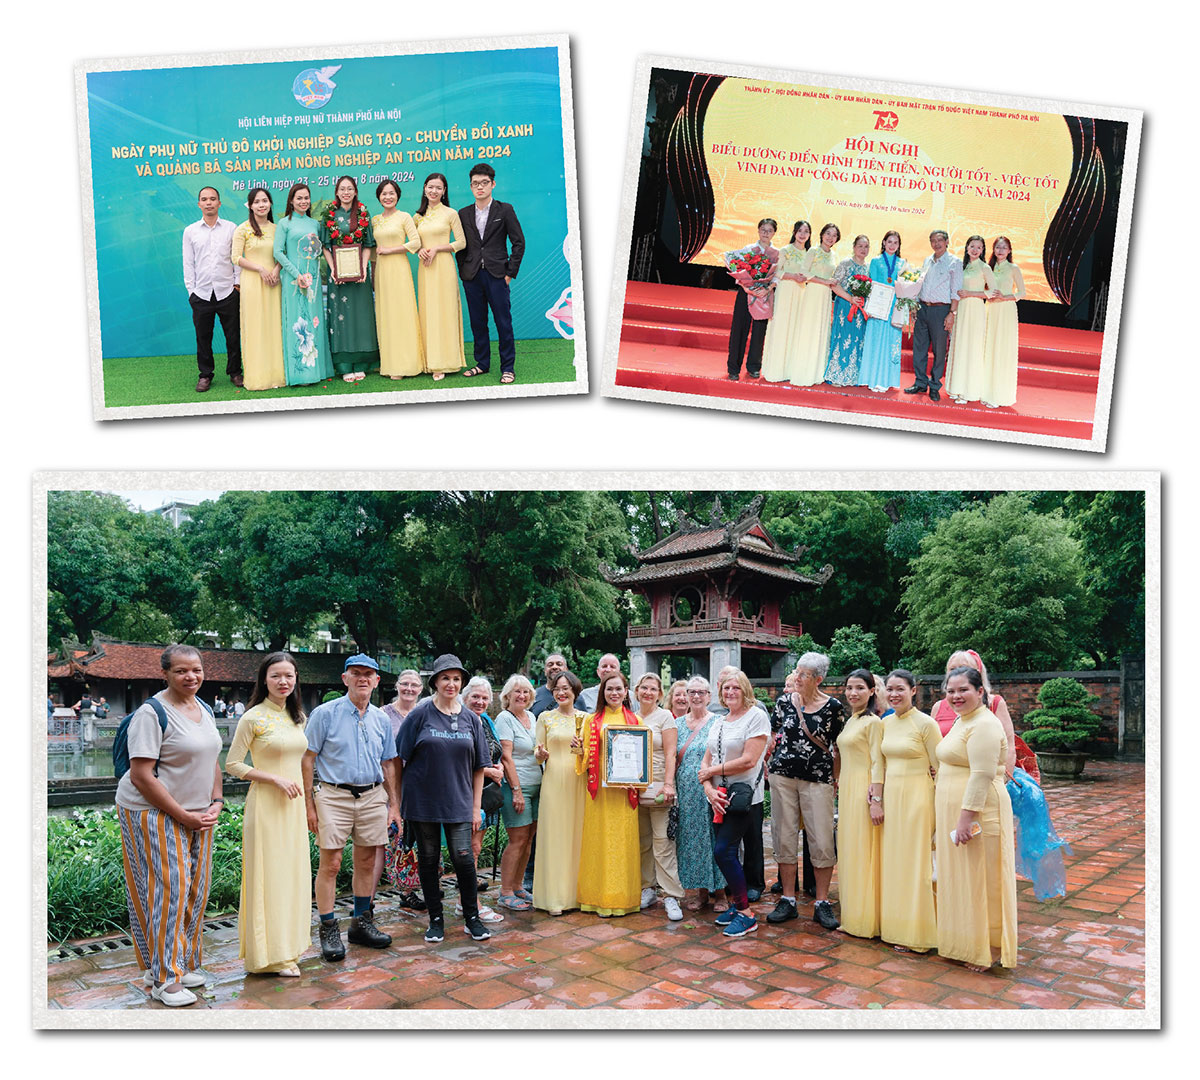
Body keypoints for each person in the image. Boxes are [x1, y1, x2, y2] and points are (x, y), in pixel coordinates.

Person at [115, 645, 223, 1006]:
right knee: (170, 890)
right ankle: (163, 978)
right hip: (153, 811)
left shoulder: (204, 708)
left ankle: (181, 963)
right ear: (165, 673)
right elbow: (142, 775)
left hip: (198, 811)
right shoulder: (152, 713)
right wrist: (182, 814)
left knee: (197, 889)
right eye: (181, 671)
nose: (190, 677)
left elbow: (213, 761)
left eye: (196, 670)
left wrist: (217, 801)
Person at [302, 654, 399, 962]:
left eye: (368, 674)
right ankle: (328, 927)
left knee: (367, 862)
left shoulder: (381, 718)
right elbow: (307, 759)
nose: (362, 679)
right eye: (356, 673)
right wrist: (309, 804)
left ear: (376, 680)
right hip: (334, 795)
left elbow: (388, 764)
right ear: (345, 678)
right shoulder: (325, 714)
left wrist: (393, 804)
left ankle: (361, 921)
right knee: (330, 864)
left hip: (372, 795)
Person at [395, 654, 492, 943]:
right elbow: (400, 759)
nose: (451, 683)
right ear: (435, 681)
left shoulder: (471, 719)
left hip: (459, 800)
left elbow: (479, 767)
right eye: (445, 678)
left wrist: (476, 808)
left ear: (461, 683)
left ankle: (471, 917)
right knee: (428, 858)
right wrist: (399, 804)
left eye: (456, 679)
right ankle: (435, 919)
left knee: (463, 858)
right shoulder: (420, 715)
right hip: (423, 801)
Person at [225, 651, 310, 976]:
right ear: (264, 679)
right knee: (269, 876)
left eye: (289, 675)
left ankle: (289, 949)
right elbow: (232, 764)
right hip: (266, 806)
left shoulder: (298, 716)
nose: (283, 681)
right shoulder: (253, 718)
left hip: (294, 807)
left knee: (292, 876)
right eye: (276, 675)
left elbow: (303, 761)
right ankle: (268, 956)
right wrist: (272, 778)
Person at [935, 666, 1018, 971]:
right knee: (963, 878)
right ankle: (965, 941)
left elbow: (981, 776)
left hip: (979, 810)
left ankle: (991, 948)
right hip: (956, 811)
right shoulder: (962, 720)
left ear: (980, 692)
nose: (955, 696)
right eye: (950, 691)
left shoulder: (984, 723)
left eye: (963, 690)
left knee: (986, 878)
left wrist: (965, 819)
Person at [764, 652, 844, 930]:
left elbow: (839, 747)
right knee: (784, 837)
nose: (796, 678)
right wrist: (766, 763)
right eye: (796, 672)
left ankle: (822, 902)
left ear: (818, 679)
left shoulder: (833, 707)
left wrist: (836, 779)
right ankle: (788, 899)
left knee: (821, 840)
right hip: (782, 778)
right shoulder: (784, 701)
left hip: (818, 780)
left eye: (803, 674)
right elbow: (772, 735)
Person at [698, 669, 770, 938]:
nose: (730, 692)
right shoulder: (720, 721)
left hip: (742, 797)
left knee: (723, 851)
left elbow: (750, 760)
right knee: (724, 853)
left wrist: (711, 773)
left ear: (745, 689)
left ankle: (746, 914)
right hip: (717, 796)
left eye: (736, 688)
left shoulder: (756, 717)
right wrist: (708, 788)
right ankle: (737, 904)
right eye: (726, 688)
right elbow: (706, 760)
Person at [879, 669, 942, 953]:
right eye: (890, 689)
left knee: (917, 863)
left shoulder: (926, 724)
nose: (894, 694)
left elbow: (940, 767)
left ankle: (919, 933)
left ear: (913, 691)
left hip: (918, 798)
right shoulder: (885, 723)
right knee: (896, 862)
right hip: (891, 798)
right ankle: (897, 925)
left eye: (900, 689)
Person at [575, 672, 643, 916]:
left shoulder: (635, 721)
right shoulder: (591, 720)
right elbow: (583, 759)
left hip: (624, 793)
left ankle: (623, 897)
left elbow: (640, 758)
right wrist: (578, 751)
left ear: (626, 692)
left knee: (622, 844)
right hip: (599, 792)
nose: (614, 693)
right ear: (602, 692)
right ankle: (595, 897)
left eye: (618, 689)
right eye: (609, 689)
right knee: (598, 842)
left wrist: (635, 780)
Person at [457, 162, 526, 384]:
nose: (480, 187)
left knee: (503, 322)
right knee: (478, 322)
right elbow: (461, 246)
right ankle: (482, 364)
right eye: (475, 183)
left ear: (493, 184)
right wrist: (464, 271)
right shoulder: (464, 213)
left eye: (484, 183)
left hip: (498, 276)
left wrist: (509, 274)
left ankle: (508, 367)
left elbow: (519, 243)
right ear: (470, 186)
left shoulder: (505, 210)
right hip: (473, 276)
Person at [532, 669, 588, 915]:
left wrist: (580, 750)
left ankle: (577, 895)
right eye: (557, 688)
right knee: (554, 836)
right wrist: (540, 755)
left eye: (566, 688)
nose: (561, 692)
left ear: (575, 690)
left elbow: (589, 756)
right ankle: (554, 898)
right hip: (553, 780)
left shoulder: (587, 719)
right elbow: (537, 752)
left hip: (579, 781)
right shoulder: (545, 717)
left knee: (578, 835)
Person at [834, 669, 884, 939]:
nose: (853, 693)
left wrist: (876, 799)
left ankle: (867, 920)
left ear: (872, 691)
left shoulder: (873, 723)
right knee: (850, 851)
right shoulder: (851, 720)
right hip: (848, 790)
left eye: (860, 688)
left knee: (865, 853)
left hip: (864, 790)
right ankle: (852, 917)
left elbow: (878, 761)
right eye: (850, 687)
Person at [632, 673, 684, 921]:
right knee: (642, 842)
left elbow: (671, 753)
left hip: (660, 786)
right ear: (636, 690)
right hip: (633, 787)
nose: (648, 692)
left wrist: (668, 784)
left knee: (663, 842)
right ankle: (647, 888)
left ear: (660, 694)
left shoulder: (666, 717)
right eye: (644, 688)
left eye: (653, 689)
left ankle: (671, 895)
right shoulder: (629, 717)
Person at [673, 676, 726, 911]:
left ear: (709, 696)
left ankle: (722, 894)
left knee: (716, 838)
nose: (695, 696)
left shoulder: (718, 722)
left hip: (712, 789)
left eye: (701, 692)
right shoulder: (677, 724)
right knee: (692, 841)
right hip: (685, 791)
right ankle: (702, 892)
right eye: (691, 692)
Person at [182, 186, 243, 392]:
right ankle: (205, 374)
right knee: (203, 337)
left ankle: (235, 372)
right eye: (204, 199)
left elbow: (236, 259)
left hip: (227, 291)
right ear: (199, 204)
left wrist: (237, 284)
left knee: (233, 336)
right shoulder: (190, 231)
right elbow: (188, 263)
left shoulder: (231, 228)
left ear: (219, 203)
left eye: (213, 199)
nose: (209, 202)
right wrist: (192, 291)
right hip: (202, 294)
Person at [273, 183, 335, 386]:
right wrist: (296, 274)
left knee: (314, 320)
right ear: (291, 200)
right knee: (298, 323)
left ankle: (319, 370)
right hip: (294, 281)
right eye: (299, 198)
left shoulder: (315, 224)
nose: (303, 201)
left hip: (313, 281)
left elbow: (318, 251)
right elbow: (278, 252)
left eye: (306, 198)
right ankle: (301, 374)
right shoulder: (284, 223)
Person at [320, 175, 379, 381]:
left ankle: (362, 362)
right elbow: (325, 246)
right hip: (338, 276)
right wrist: (334, 270)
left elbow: (369, 245)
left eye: (350, 189)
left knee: (362, 316)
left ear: (355, 192)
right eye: (342, 189)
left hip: (360, 275)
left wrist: (363, 269)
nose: (346, 192)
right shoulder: (329, 214)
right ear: (337, 192)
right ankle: (344, 365)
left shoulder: (363, 213)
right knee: (341, 317)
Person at [932, 650, 1025, 779]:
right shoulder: (938, 707)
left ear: (978, 672)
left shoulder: (994, 703)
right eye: (952, 669)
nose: (957, 672)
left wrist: (1003, 781)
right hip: (944, 782)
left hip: (985, 780)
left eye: (964, 668)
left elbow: (1010, 747)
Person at [373, 668, 423, 904]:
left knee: (413, 840)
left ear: (421, 689)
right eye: (405, 684)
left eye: (414, 685)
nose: (409, 689)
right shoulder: (383, 715)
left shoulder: (425, 713)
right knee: (384, 840)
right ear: (397, 686)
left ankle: (408, 890)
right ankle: (367, 902)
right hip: (388, 787)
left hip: (419, 787)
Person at [230, 187, 285, 391]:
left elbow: (283, 254)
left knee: (274, 325)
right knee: (255, 327)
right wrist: (260, 268)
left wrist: (276, 270)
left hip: (274, 283)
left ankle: (278, 375)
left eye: (265, 201)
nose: (261, 205)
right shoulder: (242, 229)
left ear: (270, 204)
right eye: (257, 202)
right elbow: (235, 257)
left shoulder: (277, 228)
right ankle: (258, 377)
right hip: (253, 283)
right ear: (250, 206)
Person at [413, 172, 467, 380]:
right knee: (429, 313)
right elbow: (415, 243)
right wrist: (420, 251)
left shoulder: (451, 214)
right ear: (424, 188)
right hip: (425, 269)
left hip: (444, 267)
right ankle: (430, 361)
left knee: (445, 312)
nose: (433, 191)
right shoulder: (418, 217)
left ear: (444, 191)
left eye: (438, 188)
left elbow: (461, 243)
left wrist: (437, 249)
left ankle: (445, 362)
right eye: (430, 186)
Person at [494, 674, 541, 910]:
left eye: (526, 692)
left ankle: (518, 885)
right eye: (517, 691)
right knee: (517, 840)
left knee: (529, 839)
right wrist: (516, 790)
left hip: (537, 785)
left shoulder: (531, 717)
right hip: (516, 786)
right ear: (507, 695)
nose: (522, 695)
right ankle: (505, 892)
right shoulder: (504, 718)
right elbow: (506, 757)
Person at [370, 179, 424, 378]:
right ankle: (389, 362)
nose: (388, 197)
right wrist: (373, 275)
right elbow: (374, 252)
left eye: (391, 193)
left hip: (399, 269)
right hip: (381, 272)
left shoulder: (404, 217)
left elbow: (416, 242)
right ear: (379, 197)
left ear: (397, 196)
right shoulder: (375, 220)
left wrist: (391, 250)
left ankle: (405, 364)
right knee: (386, 315)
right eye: (384, 194)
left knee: (402, 314)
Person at [905, 229, 964, 402]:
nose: (936, 244)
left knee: (939, 350)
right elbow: (921, 284)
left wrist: (952, 313)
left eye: (939, 240)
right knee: (919, 348)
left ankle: (935, 385)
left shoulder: (954, 262)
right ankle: (920, 382)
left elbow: (956, 291)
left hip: (941, 311)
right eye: (933, 240)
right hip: (923, 308)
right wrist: (914, 305)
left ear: (947, 242)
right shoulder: (927, 261)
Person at [724, 219, 779, 381]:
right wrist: (746, 287)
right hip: (745, 292)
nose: (765, 233)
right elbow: (738, 269)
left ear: (774, 233)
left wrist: (767, 289)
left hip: (763, 294)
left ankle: (754, 367)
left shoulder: (777, 253)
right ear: (758, 230)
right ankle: (733, 368)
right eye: (763, 229)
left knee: (759, 333)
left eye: (769, 230)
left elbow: (778, 275)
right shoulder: (748, 249)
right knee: (739, 330)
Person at [946, 235, 998, 404]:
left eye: (979, 247)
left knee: (972, 348)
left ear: (983, 251)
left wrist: (971, 294)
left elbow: (993, 292)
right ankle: (956, 388)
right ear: (967, 247)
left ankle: (969, 392)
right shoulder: (962, 266)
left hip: (975, 309)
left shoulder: (984, 268)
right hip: (961, 310)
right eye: (972, 246)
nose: (975, 250)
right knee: (959, 346)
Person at [786, 224, 840, 386]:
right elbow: (805, 272)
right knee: (808, 330)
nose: (830, 237)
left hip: (825, 297)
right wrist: (824, 281)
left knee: (820, 331)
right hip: (812, 293)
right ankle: (802, 371)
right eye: (828, 233)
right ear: (822, 234)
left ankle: (816, 372)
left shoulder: (834, 255)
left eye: (834, 235)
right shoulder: (813, 251)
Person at [761, 220, 811, 383]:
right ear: (794, 232)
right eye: (800, 231)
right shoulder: (785, 250)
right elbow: (777, 271)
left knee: (796, 329)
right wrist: (793, 276)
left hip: (801, 293)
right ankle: (776, 369)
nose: (803, 235)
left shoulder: (810, 254)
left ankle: (790, 369)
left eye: (806, 232)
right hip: (785, 292)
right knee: (782, 328)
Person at [857, 231, 908, 392]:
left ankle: (887, 379)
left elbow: (905, 286)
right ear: (884, 243)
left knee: (890, 342)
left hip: (894, 307)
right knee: (876, 341)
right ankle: (873, 378)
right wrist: (869, 307)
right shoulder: (875, 261)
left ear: (899, 245)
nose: (892, 245)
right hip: (878, 307)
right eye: (889, 242)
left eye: (895, 243)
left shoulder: (903, 264)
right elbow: (870, 284)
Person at [983, 236, 1026, 408]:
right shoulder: (988, 268)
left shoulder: (1013, 268)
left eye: (1004, 247)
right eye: (997, 247)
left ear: (1009, 251)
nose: (1000, 250)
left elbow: (1022, 292)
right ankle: (985, 391)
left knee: (1001, 349)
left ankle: (999, 394)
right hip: (990, 309)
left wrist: (1005, 297)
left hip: (1006, 310)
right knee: (987, 347)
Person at [825, 234, 871, 386]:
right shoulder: (845, 263)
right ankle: (837, 373)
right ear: (854, 247)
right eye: (860, 246)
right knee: (842, 338)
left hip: (860, 310)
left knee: (857, 340)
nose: (863, 250)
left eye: (866, 247)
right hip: (845, 307)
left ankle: (852, 375)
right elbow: (834, 285)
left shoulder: (868, 267)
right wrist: (850, 298)